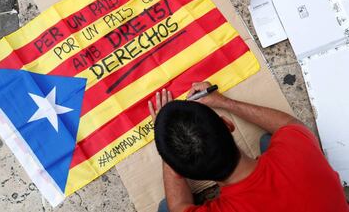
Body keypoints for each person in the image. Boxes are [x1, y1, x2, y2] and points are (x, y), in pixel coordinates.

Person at [148, 82, 349, 212]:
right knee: (269, 139)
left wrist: (169, 144)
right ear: (228, 124)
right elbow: (289, 124)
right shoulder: (296, 149)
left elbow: (178, 206)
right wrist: (224, 102)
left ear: (180, 172)